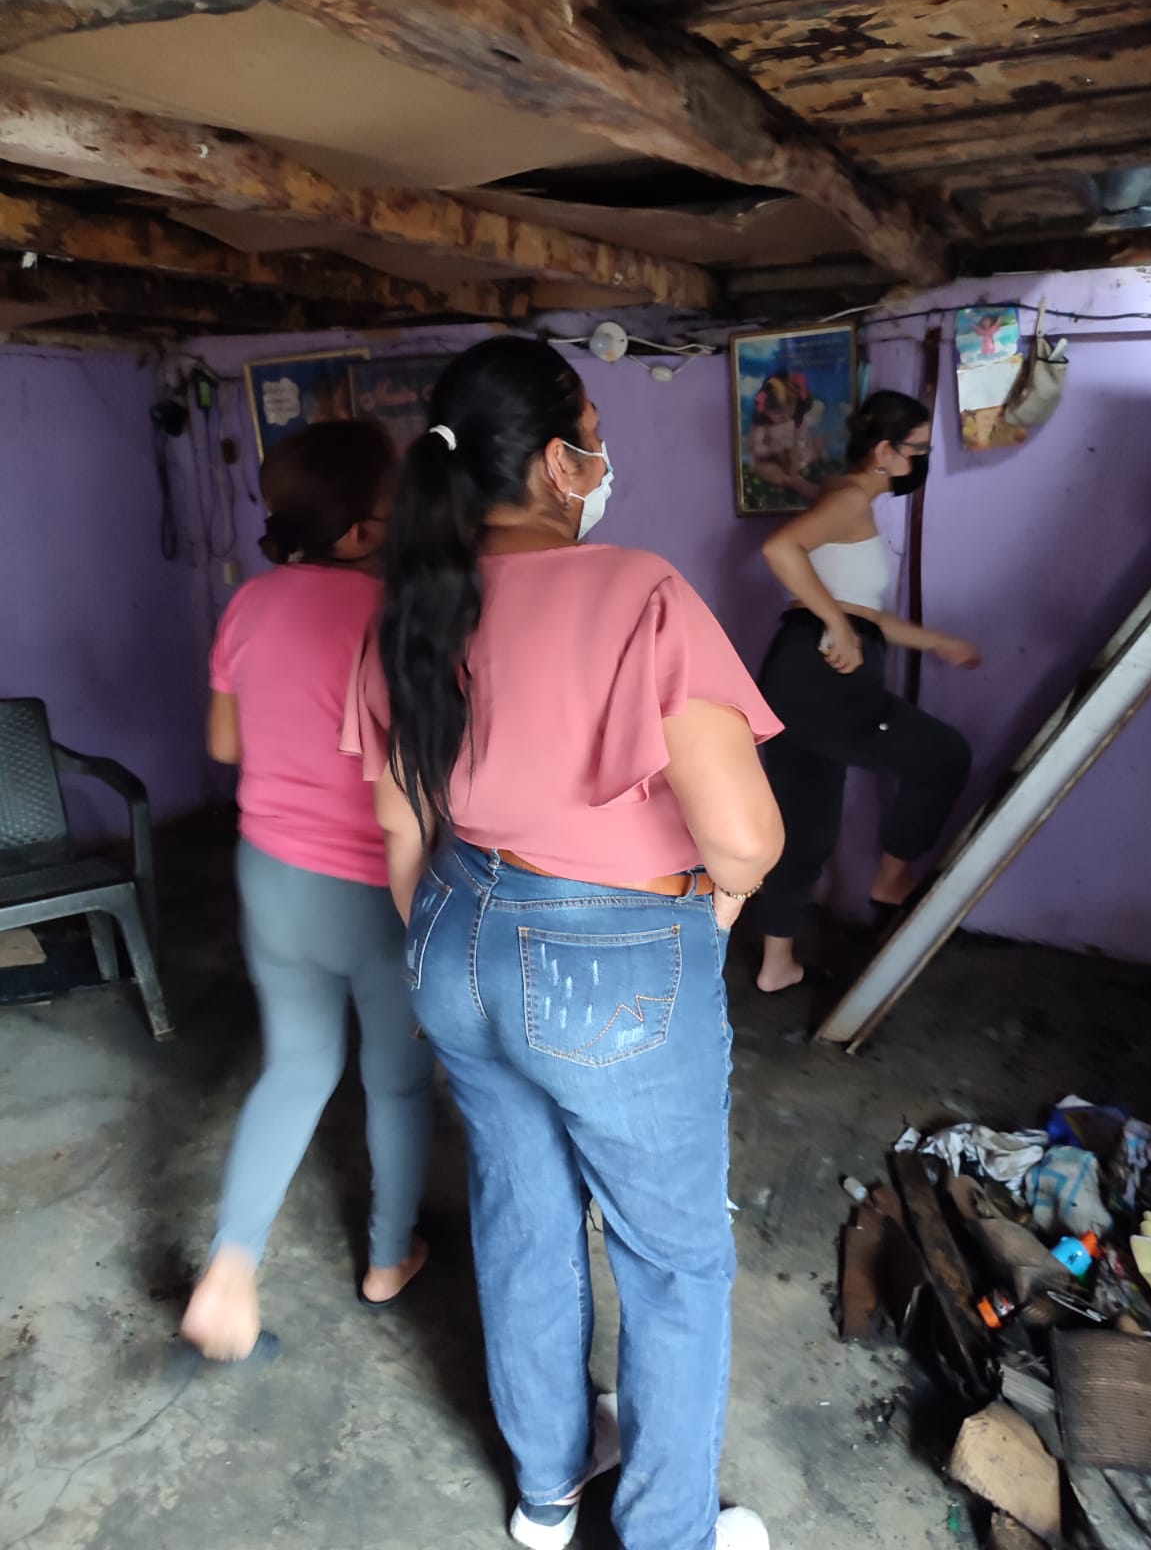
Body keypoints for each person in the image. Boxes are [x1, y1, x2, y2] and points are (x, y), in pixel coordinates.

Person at [342, 339, 784, 1550]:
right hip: (613, 957)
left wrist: (456, 952)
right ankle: (669, 1534)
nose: (602, 455)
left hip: (453, 930)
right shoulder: (638, 589)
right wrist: (710, 913)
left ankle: (547, 1494)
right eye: (592, 431)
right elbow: (746, 837)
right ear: (556, 462)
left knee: (524, 1221)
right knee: (671, 1262)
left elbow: (400, 826)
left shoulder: (411, 605)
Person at [180, 421, 435, 1362]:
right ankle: (387, 1259)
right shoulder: (402, 613)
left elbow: (224, 744)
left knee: (295, 1067)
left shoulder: (250, 602)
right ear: (363, 530)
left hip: (269, 873)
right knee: (396, 1080)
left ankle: (231, 1266)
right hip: (372, 884)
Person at [754, 391, 980, 994]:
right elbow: (779, 549)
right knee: (943, 756)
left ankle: (777, 966)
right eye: (918, 450)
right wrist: (836, 624)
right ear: (884, 451)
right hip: (822, 676)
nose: (922, 461)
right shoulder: (851, 498)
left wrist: (938, 642)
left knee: (805, 826)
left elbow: (864, 613)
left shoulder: (840, 494)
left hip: (795, 677)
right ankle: (890, 879)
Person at [746, 369, 820, 501]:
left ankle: (799, 472)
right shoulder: (762, 426)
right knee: (763, 469)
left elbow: (801, 438)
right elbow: (754, 448)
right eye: (777, 414)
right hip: (770, 459)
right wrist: (771, 449)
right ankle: (792, 481)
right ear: (765, 409)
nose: (783, 418)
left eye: (788, 412)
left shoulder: (798, 421)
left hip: (792, 456)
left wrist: (800, 449)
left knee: (815, 445)